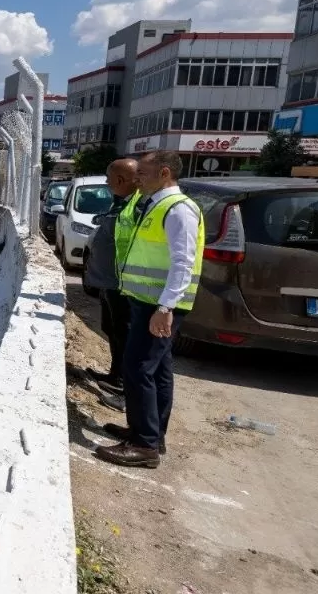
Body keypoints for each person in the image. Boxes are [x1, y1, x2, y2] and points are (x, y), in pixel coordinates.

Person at [95, 150, 204, 469]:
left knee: (139, 367)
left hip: (159, 304)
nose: (137, 177)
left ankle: (144, 446)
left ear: (165, 173)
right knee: (157, 368)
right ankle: (150, 433)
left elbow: (183, 262)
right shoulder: (156, 204)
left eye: (143, 172)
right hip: (148, 300)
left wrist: (166, 307)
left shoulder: (179, 209)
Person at [80, 158, 140, 412]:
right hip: (109, 281)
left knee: (125, 335)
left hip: (123, 283)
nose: (106, 182)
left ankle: (127, 389)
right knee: (111, 328)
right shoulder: (121, 204)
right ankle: (115, 376)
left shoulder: (137, 207)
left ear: (121, 180)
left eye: (109, 177)